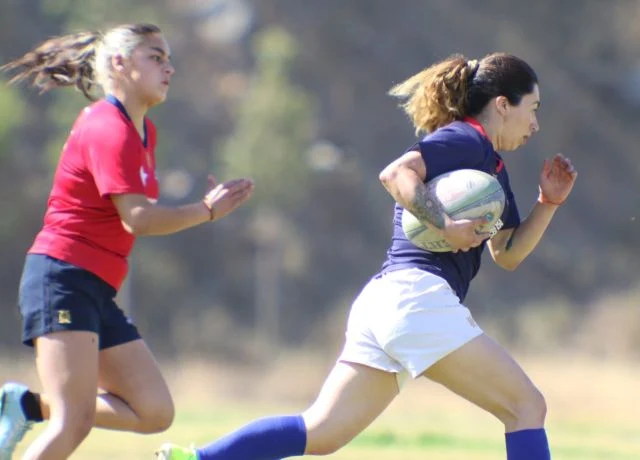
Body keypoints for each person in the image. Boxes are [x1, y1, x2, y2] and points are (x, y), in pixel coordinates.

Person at [156, 52, 577, 460]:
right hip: (418, 297)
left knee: (321, 432)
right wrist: (446, 225)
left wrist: (548, 203)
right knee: (526, 407)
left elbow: (507, 253)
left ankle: (195, 459)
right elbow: (396, 173)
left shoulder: (492, 169)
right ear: (503, 105)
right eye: (533, 108)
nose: (536, 124)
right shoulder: (465, 138)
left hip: (386, 300)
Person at [0, 23, 254, 460]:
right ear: (119, 63)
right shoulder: (106, 126)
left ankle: (25, 406)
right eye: (155, 57)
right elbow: (137, 218)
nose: (169, 67)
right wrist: (206, 210)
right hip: (62, 277)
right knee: (72, 422)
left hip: (93, 288)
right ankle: (37, 408)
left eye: (168, 58)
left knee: (154, 411)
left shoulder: (144, 132)